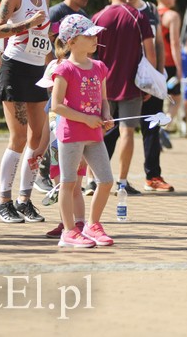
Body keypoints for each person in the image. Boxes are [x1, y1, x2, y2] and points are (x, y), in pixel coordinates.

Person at [0, 0, 52, 224]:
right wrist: (26, 23)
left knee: (37, 138)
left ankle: (24, 199)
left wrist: (52, 72)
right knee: (18, 136)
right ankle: (2, 200)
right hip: (14, 68)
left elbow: (45, 38)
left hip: (37, 70)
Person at [50, 14, 115, 248]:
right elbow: (57, 105)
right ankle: (68, 231)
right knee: (68, 183)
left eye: (94, 34)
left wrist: (106, 116)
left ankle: (92, 225)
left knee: (106, 181)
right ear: (72, 42)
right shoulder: (65, 69)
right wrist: (86, 118)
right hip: (71, 135)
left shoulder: (99, 67)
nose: (95, 38)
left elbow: (104, 100)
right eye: (89, 35)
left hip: (94, 135)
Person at [92, 0, 155, 195]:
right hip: (132, 84)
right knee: (128, 131)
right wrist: (149, 83)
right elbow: (150, 52)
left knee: (96, 132)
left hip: (102, 85)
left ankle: (93, 180)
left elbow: (90, 53)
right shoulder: (139, 17)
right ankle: (122, 181)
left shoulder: (98, 17)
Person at [36, 0, 92, 194]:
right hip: (58, 77)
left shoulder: (84, 15)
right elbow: (46, 47)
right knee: (53, 123)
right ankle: (45, 171)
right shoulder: (56, 13)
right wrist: (53, 74)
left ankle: (71, 171)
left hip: (76, 79)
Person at [125, 0, 174, 192]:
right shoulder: (119, 10)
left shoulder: (151, 10)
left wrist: (159, 74)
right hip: (126, 78)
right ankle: (98, 177)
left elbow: (159, 43)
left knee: (152, 126)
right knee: (115, 129)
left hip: (150, 76)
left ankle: (153, 176)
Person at [155, 0, 182, 146]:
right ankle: (163, 126)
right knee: (176, 100)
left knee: (157, 99)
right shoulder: (172, 15)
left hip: (154, 63)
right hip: (169, 63)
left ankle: (157, 128)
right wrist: (179, 68)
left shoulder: (150, 13)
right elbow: (175, 43)